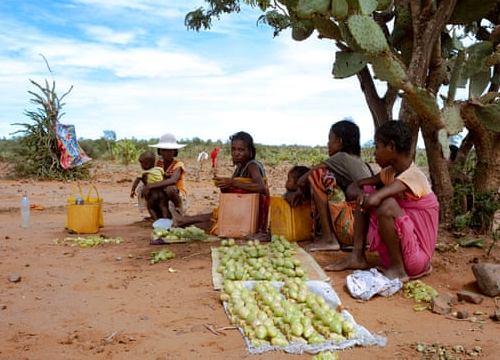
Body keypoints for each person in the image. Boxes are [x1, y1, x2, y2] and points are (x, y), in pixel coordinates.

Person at [326, 120, 439, 282]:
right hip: (398, 255)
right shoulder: (389, 173)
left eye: (377, 147)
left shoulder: (413, 176)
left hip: (417, 260)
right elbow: (354, 187)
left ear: (391, 147)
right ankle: (357, 256)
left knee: (387, 204)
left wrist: (365, 197)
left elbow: (374, 200)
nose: (374, 153)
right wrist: (362, 195)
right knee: (367, 194)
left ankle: (398, 270)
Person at [166, 131, 270, 240]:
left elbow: (260, 187)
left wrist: (231, 182)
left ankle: (183, 220)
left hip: (252, 215)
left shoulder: (252, 165)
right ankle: (182, 221)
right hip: (240, 211)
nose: (236, 153)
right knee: (213, 218)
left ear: (250, 151)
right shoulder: (240, 167)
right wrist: (226, 186)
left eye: (241, 150)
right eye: (233, 149)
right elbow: (238, 189)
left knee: (214, 220)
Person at [297, 120, 373, 251]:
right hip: (369, 232)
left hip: (353, 229)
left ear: (340, 141)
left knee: (318, 176)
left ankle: (328, 239)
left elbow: (303, 179)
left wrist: (298, 192)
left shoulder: (341, 157)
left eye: (330, 139)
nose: (328, 143)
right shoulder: (362, 163)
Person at [145, 133, 187, 217]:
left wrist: (150, 186)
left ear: (174, 151)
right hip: (162, 194)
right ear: (160, 151)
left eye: (170, 150)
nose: (167, 153)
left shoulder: (178, 164)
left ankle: (179, 209)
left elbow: (173, 180)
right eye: (164, 150)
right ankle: (156, 212)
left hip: (176, 195)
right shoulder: (158, 163)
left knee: (170, 188)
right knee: (143, 188)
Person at [130, 151, 169, 220]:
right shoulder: (159, 169)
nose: (141, 166)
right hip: (162, 193)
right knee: (163, 206)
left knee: (150, 207)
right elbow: (165, 176)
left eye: (141, 164)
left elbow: (136, 182)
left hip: (153, 194)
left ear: (147, 164)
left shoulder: (144, 172)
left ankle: (156, 220)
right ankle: (165, 219)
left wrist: (133, 190)